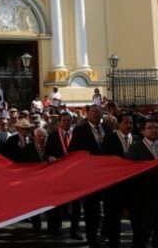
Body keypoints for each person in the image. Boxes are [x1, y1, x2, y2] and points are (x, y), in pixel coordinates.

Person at [127, 119, 158, 248]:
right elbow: (132, 176)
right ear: (143, 131)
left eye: (156, 127)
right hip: (144, 200)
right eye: (150, 128)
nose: (154, 130)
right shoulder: (135, 149)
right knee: (142, 235)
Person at [68, 105, 111, 246]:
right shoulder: (80, 131)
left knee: (108, 208)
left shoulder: (108, 130)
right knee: (91, 210)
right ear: (87, 114)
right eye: (93, 112)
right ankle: (92, 237)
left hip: (107, 177)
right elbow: (72, 150)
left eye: (99, 112)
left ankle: (105, 233)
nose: (97, 114)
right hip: (89, 177)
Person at [102, 113, 134, 248]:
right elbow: (104, 162)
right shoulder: (109, 139)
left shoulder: (137, 139)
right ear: (119, 124)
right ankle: (114, 242)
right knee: (114, 217)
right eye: (126, 122)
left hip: (133, 187)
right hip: (115, 187)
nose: (129, 126)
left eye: (131, 123)